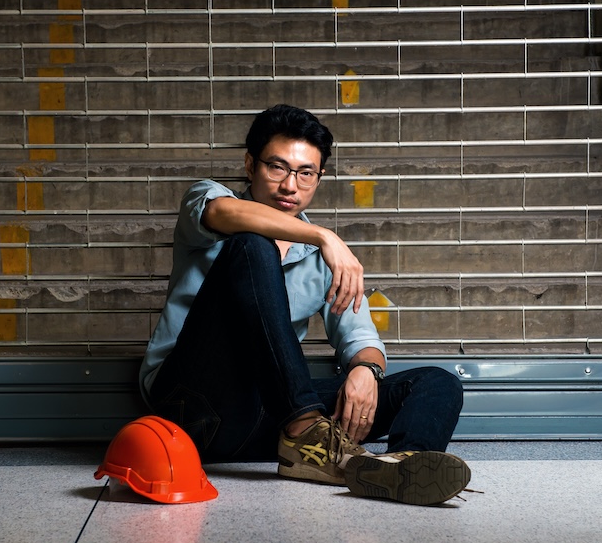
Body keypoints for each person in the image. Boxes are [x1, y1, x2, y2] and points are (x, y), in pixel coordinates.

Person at [138, 104, 470, 505]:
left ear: (319, 177)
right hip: (189, 407)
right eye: (276, 168)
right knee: (252, 244)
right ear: (250, 164)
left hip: (266, 418)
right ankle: (304, 427)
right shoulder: (210, 199)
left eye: (305, 173)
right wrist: (324, 236)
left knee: (435, 381)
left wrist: (365, 371)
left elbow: (360, 335)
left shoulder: (321, 262)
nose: (290, 186)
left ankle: (404, 468)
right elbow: (227, 214)